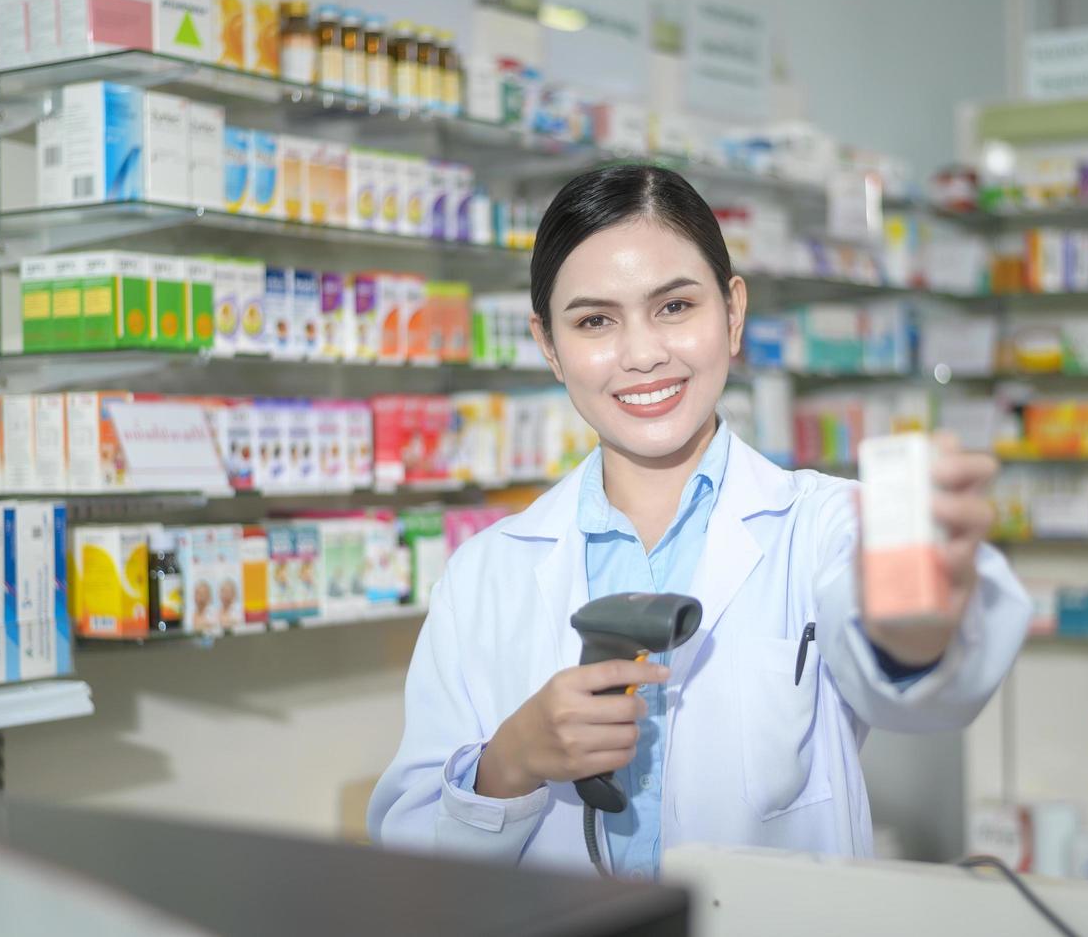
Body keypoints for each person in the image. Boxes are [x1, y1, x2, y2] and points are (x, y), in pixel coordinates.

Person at [367, 164, 1031, 878]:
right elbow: (411, 853)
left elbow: (929, 694)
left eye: (674, 307)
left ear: (732, 312)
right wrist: (507, 763)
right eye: (594, 321)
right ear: (549, 346)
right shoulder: (486, 571)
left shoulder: (825, 526)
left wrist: (912, 634)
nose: (643, 354)